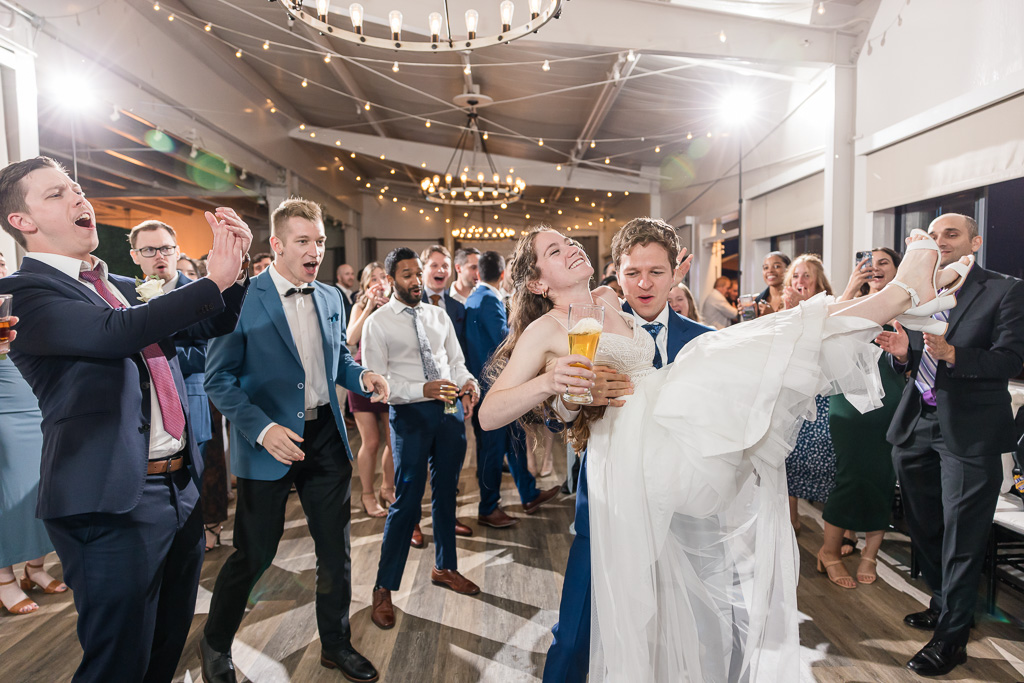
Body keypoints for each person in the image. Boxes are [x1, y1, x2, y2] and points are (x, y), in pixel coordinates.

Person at [478, 223, 965, 682]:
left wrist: (666, 282)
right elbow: (490, 412)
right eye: (555, 251)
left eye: (569, 241)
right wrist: (550, 383)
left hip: (666, 425)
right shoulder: (546, 329)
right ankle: (903, 295)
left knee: (767, 339)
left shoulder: (608, 297)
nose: (571, 248)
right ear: (539, 282)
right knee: (756, 344)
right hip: (634, 453)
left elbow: (627, 352)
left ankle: (902, 296)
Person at [0, 156, 249, 683]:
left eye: (77, 187)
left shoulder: (112, 284)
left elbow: (207, 325)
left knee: (164, 643)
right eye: (55, 194)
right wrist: (211, 281)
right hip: (111, 500)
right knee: (117, 662)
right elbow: (113, 334)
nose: (78, 198)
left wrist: (235, 270)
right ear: (22, 222)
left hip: (175, 487)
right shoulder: (28, 293)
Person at [201, 198, 387, 683]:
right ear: (277, 245)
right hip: (269, 441)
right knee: (254, 554)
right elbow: (217, 380)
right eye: (303, 241)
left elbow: (337, 359)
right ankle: (217, 645)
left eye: (320, 241)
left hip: (326, 436)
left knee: (336, 551)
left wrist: (361, 373)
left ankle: (336, 644)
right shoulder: (237, 300)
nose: (314, 250)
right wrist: (263, 429)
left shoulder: (330, 298)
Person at [542, 218, 712, 683]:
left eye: (657, 272)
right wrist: (574, 395)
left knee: (674, 629)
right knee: (575, 633)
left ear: (680, 270)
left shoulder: (704, 340)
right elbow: (559, 407)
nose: (643, 284)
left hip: (680, 512)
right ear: (614, 271)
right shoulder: (593, 327)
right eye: (632, 271)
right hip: (607, 507)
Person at [878, 213, 1024, 677]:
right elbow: (922, 356)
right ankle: (944, 604)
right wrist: (906, 356)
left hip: (971, 430)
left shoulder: (1004, 289)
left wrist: (955, 354)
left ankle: (953, 638)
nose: (940, 242)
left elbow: (1010, 359)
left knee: (963, 536)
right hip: (916, 423)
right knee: (924, 528)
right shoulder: (920, 290)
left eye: (952, 234)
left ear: (974, 242)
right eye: (934, 234)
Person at [362, 247, 481, 631]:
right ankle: (384, 587)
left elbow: (456, 362)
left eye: (418, 273)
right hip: (410, 417)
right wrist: (421, 389)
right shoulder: (377, 324)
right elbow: (376, 383)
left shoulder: (439, 315)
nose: (416, 280)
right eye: (407, 274)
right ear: (393, 279)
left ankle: (445, 567)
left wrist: (468, 383)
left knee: (447, 494)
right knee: (406, 501)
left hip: (448, 416)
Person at [129, 221, 225, 551]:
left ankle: (198, 538)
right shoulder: (125, 295)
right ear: (135, 256)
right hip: (142, 413)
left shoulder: (199, 294)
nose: (159, 256)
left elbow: (208, 353)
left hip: (191, 401)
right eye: (149, 250)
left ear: (177, 251)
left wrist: (155, 355)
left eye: (166, 248)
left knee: (198, 481)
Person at [817, 247, 905, 589]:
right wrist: (851, 288)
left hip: (891, 402)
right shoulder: (848, 305)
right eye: (869, 264)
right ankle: (830, 551)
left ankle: (870, 554)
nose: (876, 269)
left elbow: (911, 359)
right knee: (850, 476)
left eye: (885, 263)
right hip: (849, 401)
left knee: (883, 477)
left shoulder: (908, 309)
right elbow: (824, 334)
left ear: (898, 270)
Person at [466, 251, 560, 529]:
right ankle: (488, 506)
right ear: (503, 274)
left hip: (493, 383)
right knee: (492, 451)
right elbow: (504, 340)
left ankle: (529, 493)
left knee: (515, 441)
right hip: (493, 387)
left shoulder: (474, 298)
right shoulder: (489, 300)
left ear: (478, 273)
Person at [0, 249, 68, 616]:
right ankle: (4, 578)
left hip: (36, 402)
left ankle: (36, 568)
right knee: (7, 492)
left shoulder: (20, 297)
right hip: (2, 410)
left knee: (41, 487)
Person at [781, 254, 836, 534]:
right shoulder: (785, 309)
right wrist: (788, 310)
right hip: (791, 393)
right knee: (787, 455)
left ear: (818, 283)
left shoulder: (828, 307)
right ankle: (791, 521)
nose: (799, 281)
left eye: (806, 276)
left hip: (821, 393)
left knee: (827, 458)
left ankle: (839, 527)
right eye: (795, 276)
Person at [346, 261, 396, 517]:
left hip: (389, 378)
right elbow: (350, 339)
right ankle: (367, 494)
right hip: (362, 378)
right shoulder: (358, 307)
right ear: (365, 287)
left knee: (392, 440)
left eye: (382, 278)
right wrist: (367, 308)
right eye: (372, 279)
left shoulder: (395, 307)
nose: (378, 282)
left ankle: (388, 488)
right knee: (371, 441)